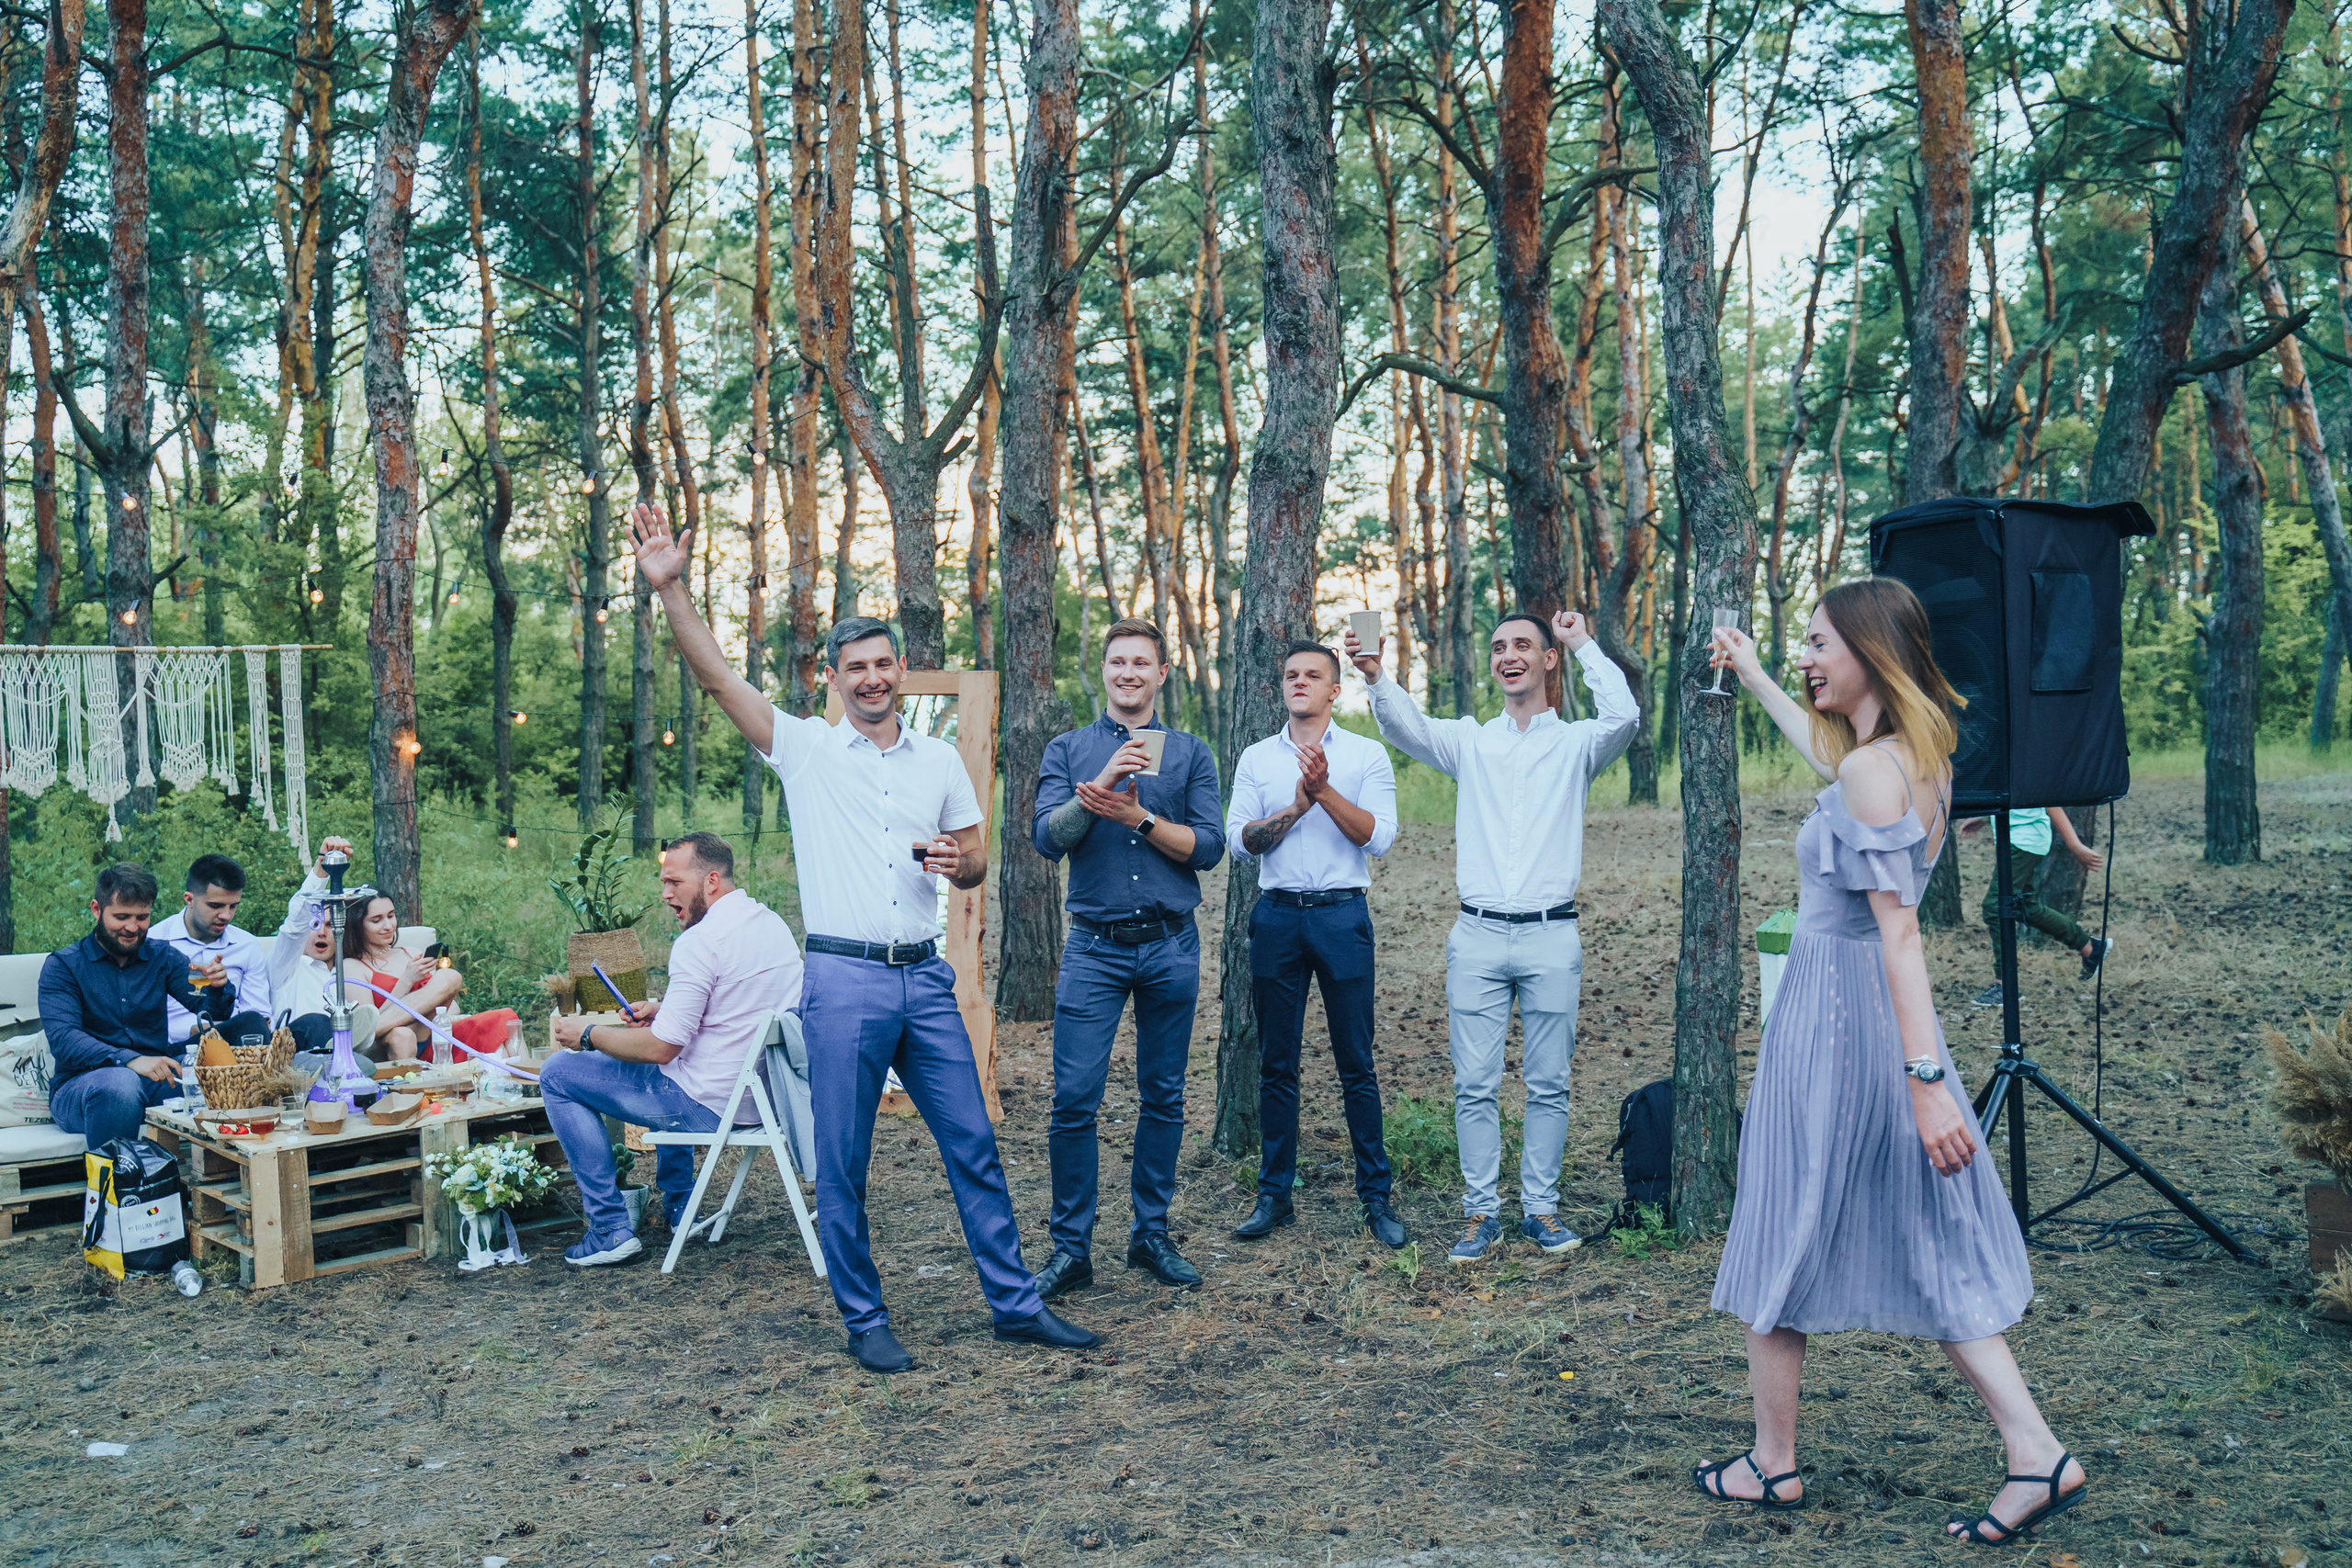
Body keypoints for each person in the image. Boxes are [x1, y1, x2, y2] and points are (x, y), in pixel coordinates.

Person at [631, 498, 1097, 1371]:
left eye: (884, 663)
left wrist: (954, 864)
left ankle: (1015, 1303)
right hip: (841, 982)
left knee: (973, 1142)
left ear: (902, 667)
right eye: (857, 667)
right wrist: (673, 592)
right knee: (842, 1159)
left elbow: (974, 862)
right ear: (833, 677)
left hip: (923, 978)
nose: (873, 677)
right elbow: (722, 682)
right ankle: (864, 1318)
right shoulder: (805, 750)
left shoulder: (936, 762)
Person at [1702, 581, 2083, 1545]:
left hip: (1843, 1029)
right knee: (1924, 1235)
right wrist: (1749, 675)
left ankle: (1773, 1465)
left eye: (1820, 642)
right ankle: (2032, 1451)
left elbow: (1901, 936)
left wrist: (1924, 1087)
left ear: (1871, 650)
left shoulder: (1876, 770)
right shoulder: (1903, 759)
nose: (1806, 656)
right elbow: (1827, 762)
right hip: (1864, 1025)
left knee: (1782, 1221)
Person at [1349, 609, 1636, 1264]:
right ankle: (1481, 1211)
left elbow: (1624, 716)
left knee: (1549, 1082)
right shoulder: (1472, 742)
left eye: (1523, 647)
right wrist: (1376, 677)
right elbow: (1408, 728)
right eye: (1499, 646)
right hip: (1476, 935)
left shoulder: (1577, 744)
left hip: (1550, 935)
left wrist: (1585, 639)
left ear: (1547, 660)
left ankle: (1541, 1208)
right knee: (1473, 1082)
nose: (1509, 655)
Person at [1028, 617, 1227, 1298]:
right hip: (1094, 950)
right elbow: (1048, 838)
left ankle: (1151, 1234)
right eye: (1117, 662)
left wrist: (1137, 817)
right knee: (1074, 1101)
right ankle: (1070, 1248)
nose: (1128, 673)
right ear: (1104, 671)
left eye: (1142, 662)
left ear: (1162, 672)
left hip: (1171, 945)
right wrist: (1106, 779)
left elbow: (1207, 847)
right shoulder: (1069, 748)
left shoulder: (1192, 752)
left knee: (1163, 1096)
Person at [544, 831, 805, 1267]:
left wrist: (588, 1032)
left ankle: (609, 1229)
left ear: (712, 881)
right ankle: (681, 1207)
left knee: (558, 1074)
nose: (665, 894)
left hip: (711, 1104)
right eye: (663, 882)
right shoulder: (770, 924)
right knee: (679, 1060)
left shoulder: (699, 943)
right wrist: (665, 1009)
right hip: (764, 1098)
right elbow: (739, 1005)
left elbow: (661, 1048)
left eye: (675, 883)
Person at [1226, 641, 1406, 1248]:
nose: (1300, 682)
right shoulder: (1256, 757)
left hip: (1341, 917)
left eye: (1314, 675)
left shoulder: (1365, 754)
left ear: (1335, 690)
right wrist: (1297, 806)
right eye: (1291, 675)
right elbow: (1242, 841)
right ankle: (1274, 1194)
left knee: (1357, 1063)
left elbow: (1379, 838)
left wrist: (1323, 794)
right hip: (1277, 918)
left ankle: (1376, 1197)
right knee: (1277, 1064)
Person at [40, 863, 234, 1150]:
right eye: (121, 917)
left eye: (142, 917)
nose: (132, 927)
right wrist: (129, 1059)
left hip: (156, 1079)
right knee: (120, 1084)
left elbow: (210, 1010)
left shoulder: (164, 956)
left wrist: (218, 987)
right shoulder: (63, 966)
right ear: (96, 910)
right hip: (83, 1087)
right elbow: (64, 1040)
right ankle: (116, 1191)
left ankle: (209, 1183)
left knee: (232, 1057)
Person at [1962, 807, 2111, 1008]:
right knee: (2027, 907)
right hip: (2017, 838)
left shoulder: (2029, 774)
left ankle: (2005, 985)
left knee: (1996, 907)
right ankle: (2090, 948)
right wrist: (1986, 816)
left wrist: (2074, 845)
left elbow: (2049, 801)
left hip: (2023, 840)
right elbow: (2014, 797)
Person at [151, 854, 274, 1050]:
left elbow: (259, 1012)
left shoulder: (246, 944)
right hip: (179, 1047)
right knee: (249, 1023)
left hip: (240, 1043)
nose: (226, 915)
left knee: (314, 1024)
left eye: (233, 906)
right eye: (215, 906)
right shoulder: (155, 941)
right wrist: (197, 1029)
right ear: (189, 899)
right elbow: (143, 1022)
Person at [266, 836, 358, 1060]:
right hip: (291, 1053)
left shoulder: (351, 972)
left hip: (343, 1053)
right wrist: (321, 870)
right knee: (318, 1023)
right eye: (315, 925)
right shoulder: (287, 964)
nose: (321, 932)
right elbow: (294, 926)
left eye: (329, 925)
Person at [342, 892, 465, 1060]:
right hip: (391, 1040)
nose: (388, 926)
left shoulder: (412, 953)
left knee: (450, 976)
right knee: (402, 1035)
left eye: (391, 916)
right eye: (376, 920)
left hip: (428, 1030)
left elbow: (451, 1007)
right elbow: (366, 1023)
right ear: (357, 925)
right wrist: (406, 981)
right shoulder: (352, 966)